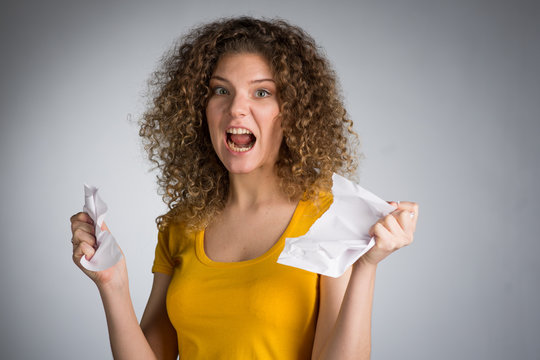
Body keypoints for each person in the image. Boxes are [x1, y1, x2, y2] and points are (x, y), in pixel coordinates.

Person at [70, 17, 418, 360]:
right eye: (221, 91)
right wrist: (112, 283)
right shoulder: (182, 225)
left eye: (261, 92)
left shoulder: (328, 218)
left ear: (292, 111)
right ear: (199, 109)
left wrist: (366, 266)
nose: (236, 108)